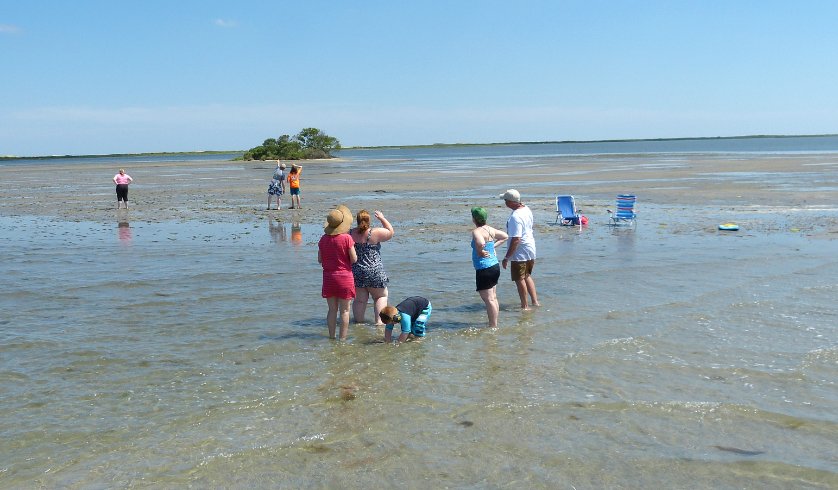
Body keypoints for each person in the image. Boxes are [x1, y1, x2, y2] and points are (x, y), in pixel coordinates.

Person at [318, 204, 357, 340]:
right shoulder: (346, 238)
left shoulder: (323, 239)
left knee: (332, 310)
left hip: (329, 277)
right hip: (345, 276)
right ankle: (343, 339)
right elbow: (354, 259)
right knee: (345, 311)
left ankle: (331, 337)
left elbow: (319, 260)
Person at [350, 209, 394, 325]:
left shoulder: (349, 234)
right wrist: (382, 218)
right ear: (368, 221)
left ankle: (358, 324)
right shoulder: (375, 233)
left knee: (359, 300)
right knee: (380, 297)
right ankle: (379, 323)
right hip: (375, 271)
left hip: (357, 271)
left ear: (357, 220)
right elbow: (390, 232)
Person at [500, 189, 540, 309]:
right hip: (530, 248)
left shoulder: (515, 217)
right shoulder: (526, 209)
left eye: (506, 200)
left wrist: (507, 257)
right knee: (527, 275)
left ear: (511, 202)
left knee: (519, 278)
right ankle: (535, 302)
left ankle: (525, 306)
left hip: (520, 251)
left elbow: (516, 239)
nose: (505, 203)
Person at [470, 206, 508, 327]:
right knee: (493, 297)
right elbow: (505, 236)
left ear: (474, 219)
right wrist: (492, 247)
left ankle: (493, 326)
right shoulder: (490, 229)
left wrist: (480, 251)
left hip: (484, 268)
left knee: (489, 299)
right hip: (494, 266)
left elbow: (480, 242)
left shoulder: (476, 231)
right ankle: (494, 324)